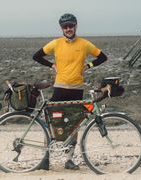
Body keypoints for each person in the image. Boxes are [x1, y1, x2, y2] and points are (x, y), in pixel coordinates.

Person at [32, 13, 107, 170]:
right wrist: (51, 65)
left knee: (74, 125)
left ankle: (69, 159)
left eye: (71, 26)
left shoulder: (85, 44)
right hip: (59, 88)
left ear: (75, 26)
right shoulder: (56, 43)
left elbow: (102, 57)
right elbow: (37, 56)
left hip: (76, 89)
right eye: (65, 27)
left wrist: (89, 66)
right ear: (61, 28)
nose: (68, 29)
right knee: (52, 122)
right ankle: (46, 158)